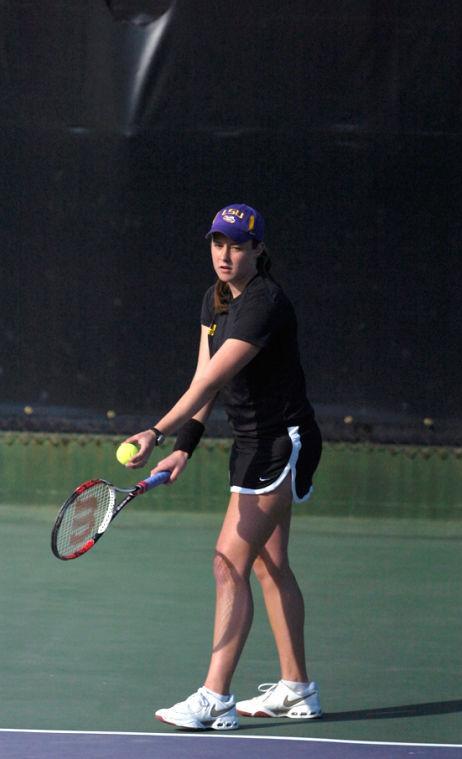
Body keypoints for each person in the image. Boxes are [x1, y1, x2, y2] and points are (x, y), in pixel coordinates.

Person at [124, 203, 323, 730]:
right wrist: (185, 445)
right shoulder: (214, 300)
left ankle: (215, 696)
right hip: (250, 441)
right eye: (218, 243)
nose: (226, 254)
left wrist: (155, 430)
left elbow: (208, 382)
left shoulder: (263, 304)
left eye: (238, 244)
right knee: (267, 564)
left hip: (280, 442)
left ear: (259, 249)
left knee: (228, 561)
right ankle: (297, 689)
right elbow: (204, 375)